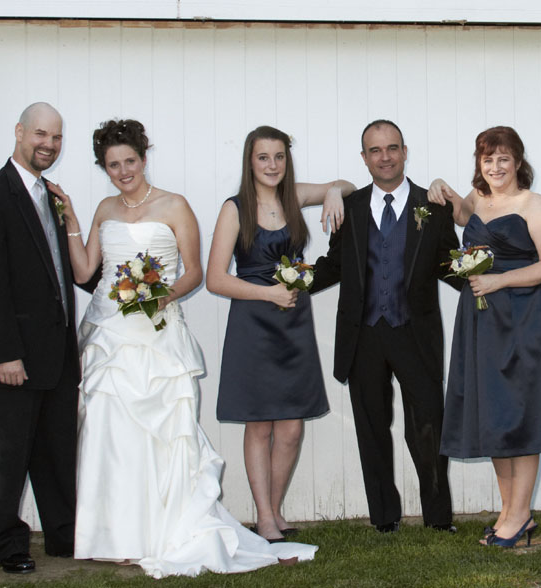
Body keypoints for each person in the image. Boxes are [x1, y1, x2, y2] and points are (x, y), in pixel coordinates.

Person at [51, 119, 316, 577]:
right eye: (113, 165)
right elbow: (84, 272)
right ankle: (112, 534)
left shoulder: (175, 205)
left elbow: (194, 272)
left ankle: (165, 528)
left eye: (129, 161)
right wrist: (73, 223)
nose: (123, 171)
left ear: (143, 158)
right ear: (104, 168)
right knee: (110, 432)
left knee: (165, 431)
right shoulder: (103, 208)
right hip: (111, 335)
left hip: (156, 331)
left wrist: (159, 297)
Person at [428, 125, 541, 547]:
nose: (495, 167)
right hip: (482, 322)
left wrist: (500, 282)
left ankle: (519, 516)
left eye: (503, 158)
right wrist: (440, 186)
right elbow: (461, 212)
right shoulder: (479, 199)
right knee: (496, 414)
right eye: (487, 159)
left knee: (523, 415)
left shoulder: (533, 204)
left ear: (518, 161)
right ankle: (510, 512)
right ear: (479, 164)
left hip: (524, 319)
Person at [311, 120, 462, 533]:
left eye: (392, 148)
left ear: (405, 151)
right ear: (364, 158)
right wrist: (294, 283)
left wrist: (483, 281)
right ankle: (384, 519)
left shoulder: (432, 206)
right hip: (364, 334)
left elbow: (449, 262)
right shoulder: (352, 207)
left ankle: (437, 519)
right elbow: (336, 265)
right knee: (372, 430)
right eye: (375, 150)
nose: (385, 157)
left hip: (416, 332)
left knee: (428, 427)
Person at [206, 125, 354, 542]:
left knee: (291, 426)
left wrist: (331, 192)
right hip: (253, 322)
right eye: (263, 157)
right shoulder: (234, 208)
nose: (272, 165)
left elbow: (348, 184)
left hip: (293, 321)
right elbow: (216, 279)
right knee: (260, 425)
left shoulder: (294, 196)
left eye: (279, 157)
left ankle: (273, 509)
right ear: (249, 162)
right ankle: (266, 516)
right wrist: (267, 292)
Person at [0, 102, 86, 574]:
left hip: (53, 356)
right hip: (7, 358)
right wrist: (7, 354)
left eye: (55, 138)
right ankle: (8, 545)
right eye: (40, 134)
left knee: (55, 453)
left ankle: (62, 537)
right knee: (7, 457)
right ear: (18, 133)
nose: (48, 145)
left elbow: (58, 274)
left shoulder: (52, 197)